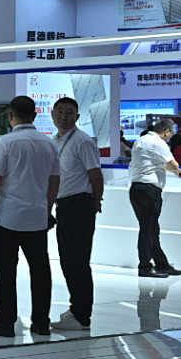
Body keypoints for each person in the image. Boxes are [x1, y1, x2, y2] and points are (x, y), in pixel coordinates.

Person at [0, 96, 60, 338]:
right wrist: (47, 209)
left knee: (5, 271)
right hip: (37, 218)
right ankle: (41, 322)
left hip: (7, 217)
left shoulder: (5, 142)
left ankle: (5, 322)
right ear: (34, 115)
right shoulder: (48, 144)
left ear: (10, 116)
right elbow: (54, 180)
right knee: (40, 271)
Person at [49, 97, 104, 331]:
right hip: (62, 206)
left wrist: (96, 201)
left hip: (79, 206)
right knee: (66, 261)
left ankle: (82, 316)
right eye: (60, 112)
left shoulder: (82, 141)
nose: (64, 117)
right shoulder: (54, 142)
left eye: (69, 112)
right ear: (52, 115)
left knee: (79, 262)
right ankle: (76, 308)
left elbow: (96, 175)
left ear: (77, 117)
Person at [128, 118, 181, 278]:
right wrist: (177, 169)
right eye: (171, 133)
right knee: (148, 230)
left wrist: (174, 170)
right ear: (166, 132)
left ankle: (161, 264)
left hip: (137, 190)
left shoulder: (141, 140)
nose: (170, 136)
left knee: (151, 229)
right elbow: (173, 164)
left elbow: (159, 164)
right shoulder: (158, 143)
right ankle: (145, 267)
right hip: (149, 191)